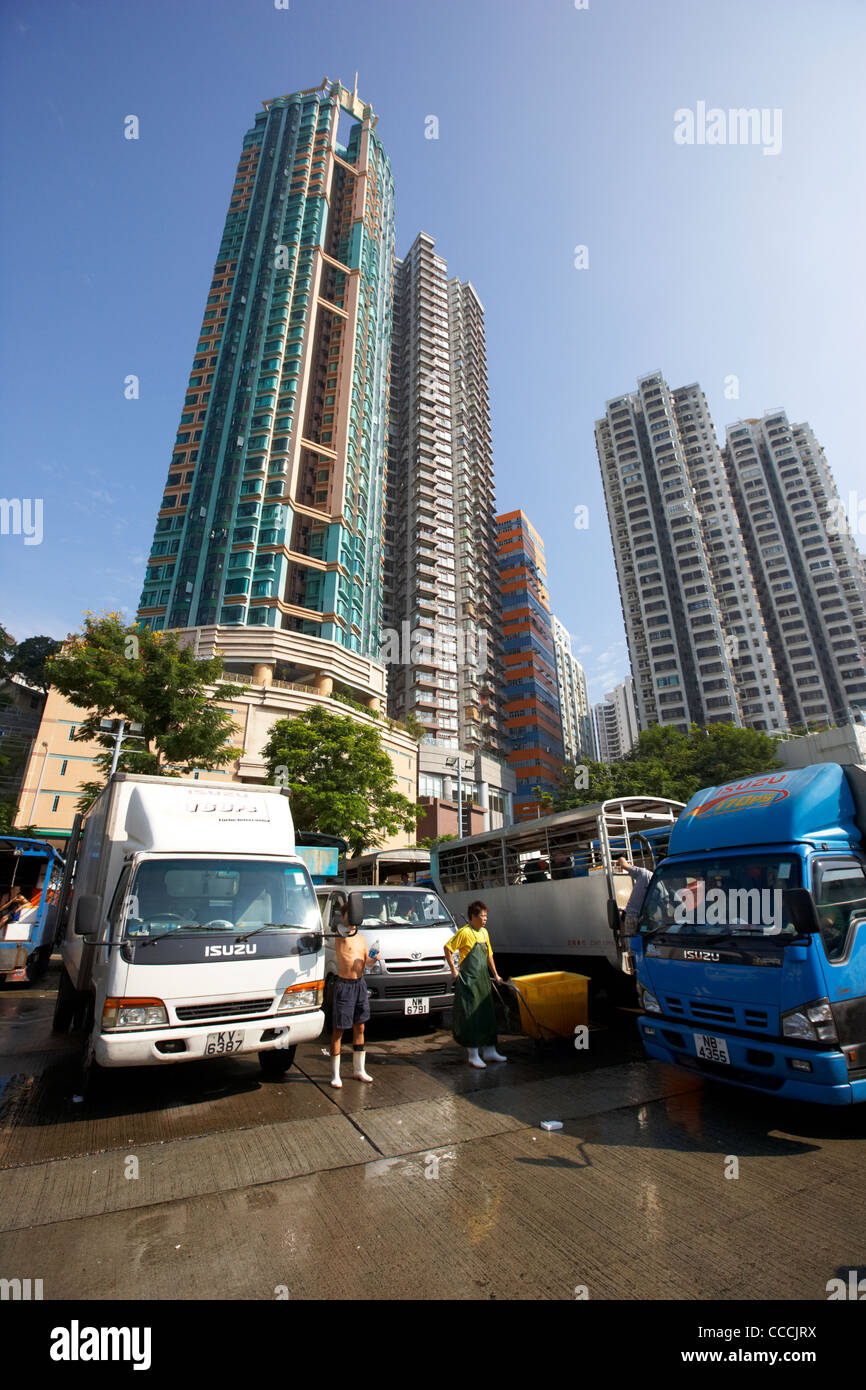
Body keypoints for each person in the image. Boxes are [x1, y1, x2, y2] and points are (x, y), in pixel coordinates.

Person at [443, 901, 506, 1069]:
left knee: (487, 1015)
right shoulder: (464, 932)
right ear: (473, 916)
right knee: (472, 1017)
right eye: (482, 916)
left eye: (486, 916)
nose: (485, 919)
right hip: (469, 981)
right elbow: (447, 948)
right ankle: (473, 1055)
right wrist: (454, 970)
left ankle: (490, 1051)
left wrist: (496, 975)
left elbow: (489, 955)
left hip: (483, 981)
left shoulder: (484, 933)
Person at [328, 899, 377, 1089]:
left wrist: (373, 959)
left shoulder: (361, 938)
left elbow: (367, 963)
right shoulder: (340, 934)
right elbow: (339, 928)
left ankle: (359, 1070)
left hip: (360, 984)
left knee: (360, 1027)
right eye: (350, 913)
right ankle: (335, 1074)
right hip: (344, 985)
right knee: (339, 1029)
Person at [616, 856, 653, 932]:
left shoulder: (644, 873)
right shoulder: (660, 883)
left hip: (632, 917)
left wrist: (621, 858)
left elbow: (623, 864)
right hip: (646, 919)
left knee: (633, 941)